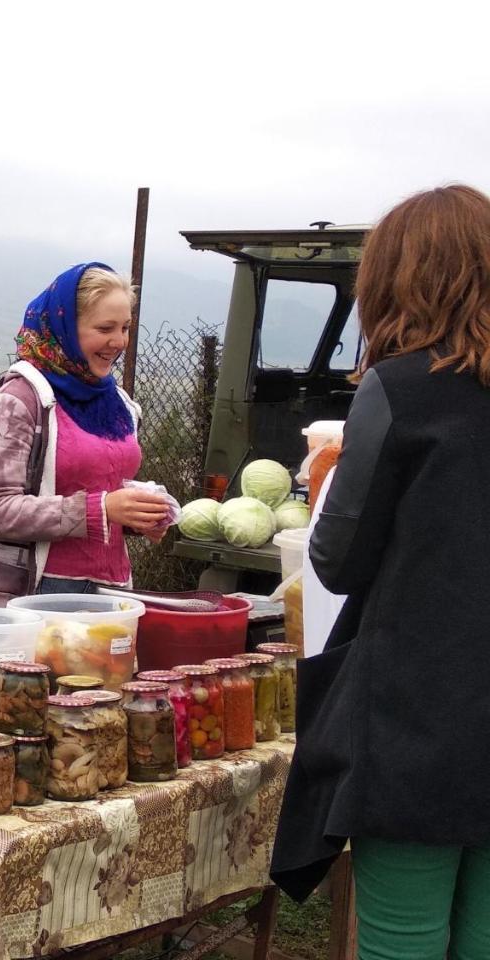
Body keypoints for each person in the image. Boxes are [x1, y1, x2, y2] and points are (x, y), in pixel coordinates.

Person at [271, 184, 490, 959]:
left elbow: (337, 558)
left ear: (398, 279)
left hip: (417, 721)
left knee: (404, 939)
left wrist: (325, 477)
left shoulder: (399, 390)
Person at [0, 262, 169, 606]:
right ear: (66, 329)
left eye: (126, 327)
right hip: (26, 598)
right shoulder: (18, 401)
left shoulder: (117, 404)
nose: (119, 342)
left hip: (107, 593)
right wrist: (100, 509)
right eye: (105, 328)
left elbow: (102, 499)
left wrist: (135, 517)